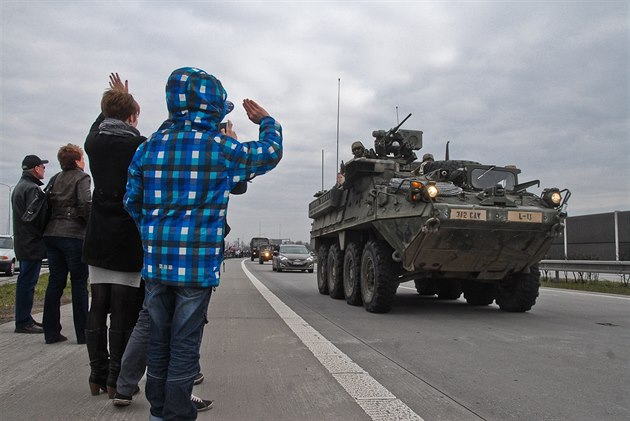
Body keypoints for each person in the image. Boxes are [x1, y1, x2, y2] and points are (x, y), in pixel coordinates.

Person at [124, 67, 283, 421]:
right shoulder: (220, 148)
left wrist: (153, 236)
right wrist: (268, 120)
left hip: (158, 263)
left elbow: (131, 201)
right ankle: (177, 412)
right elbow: (269, 152)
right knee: (184, 343)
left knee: (159, 341)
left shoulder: (148, 148)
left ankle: (159, 410)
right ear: (212, 107)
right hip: (196, 266)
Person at [82, 73, 146, 398]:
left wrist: (117, 98)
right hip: (127, 235)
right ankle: (115, 379)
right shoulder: (139, 144)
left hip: (97, 234)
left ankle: (96, 374)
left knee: (98, 305)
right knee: (123, 310)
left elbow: (99, 124)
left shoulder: (93, 143)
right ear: (132, 116)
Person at [42, 144, 91, 344]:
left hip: (51, 234)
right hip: (73, 235)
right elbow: (85, 204)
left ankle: (51, 332)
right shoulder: (82, 178)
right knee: (79, 284)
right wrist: (92, 227)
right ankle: (83, 333)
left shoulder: (54, 179)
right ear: (78, 160)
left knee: (55, 283)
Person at [11, 155, 49, 334]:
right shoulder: (32, 189)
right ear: (35, 168)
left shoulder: (20, 187)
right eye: (42, 167)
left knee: (24, 281)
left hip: (23, 240)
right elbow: (37, 217)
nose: (44, 170)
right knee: (28, 282)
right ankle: (24, 321)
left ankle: (24, 317)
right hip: (32, 242)